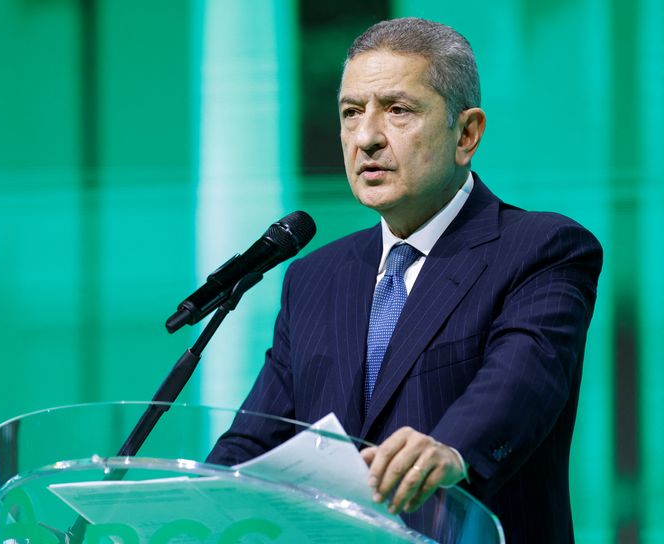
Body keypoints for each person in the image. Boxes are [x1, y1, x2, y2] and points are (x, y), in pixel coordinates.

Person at [208, 17, 602, 543]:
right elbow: (255, 442)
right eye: (351, 113)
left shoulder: (541, 249)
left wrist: (450, 447)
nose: (367, 138)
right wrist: (181, 498)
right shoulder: (314, 278)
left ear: (467, 133)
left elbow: (520, 383)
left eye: (397, 110)